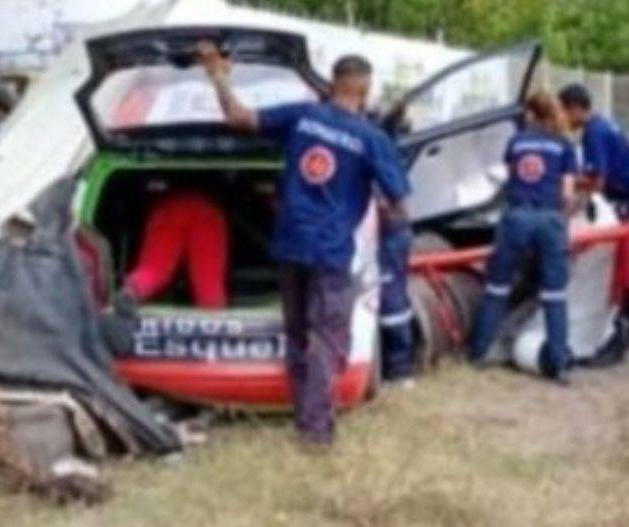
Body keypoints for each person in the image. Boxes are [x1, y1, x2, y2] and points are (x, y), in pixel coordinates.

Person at [198, 42, 411, 447]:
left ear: (332, 84)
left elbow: (238, 117)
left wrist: (218, 76)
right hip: (330, 251)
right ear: (365, 90)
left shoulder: (301, 116)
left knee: (297, 336)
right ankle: (316, 433)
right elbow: (398, 201)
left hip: (289, 243)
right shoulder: (371, 138)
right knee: (326, 340)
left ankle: (303, 414)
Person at [469, 92, 579, 383]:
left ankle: (480, 351)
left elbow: (510, 179)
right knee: (555, 294)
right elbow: (567, 193)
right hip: (549, 219)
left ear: (530, 113)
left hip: (516, 217)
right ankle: (559, 363)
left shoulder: (516, 142)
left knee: (497, 287)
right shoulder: (563, 144)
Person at [558, 83, 629, 347]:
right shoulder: (603, 125)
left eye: (563, 112)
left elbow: (596, 180)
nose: (561, 120)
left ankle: (627, 331)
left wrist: (566, 181)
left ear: (575, 108)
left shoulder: (593, 133)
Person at [123, 186, 230, 310]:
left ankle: (133, 291)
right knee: (208, 281)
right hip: (207, 210)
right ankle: (214, 321)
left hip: (168, 208)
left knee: (154, 269)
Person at [378, 204, 416, 388]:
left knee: (391, 307)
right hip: (395, 228)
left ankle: (398, 370)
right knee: (395, 300)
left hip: (388, 230)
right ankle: (399, 367)